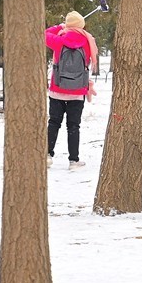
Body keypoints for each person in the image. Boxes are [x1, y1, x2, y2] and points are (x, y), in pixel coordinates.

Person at [46, 10, 99, 169]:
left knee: (54, 122)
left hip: (58, 88)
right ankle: (73, 160)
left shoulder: (58, 40)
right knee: (73, 126)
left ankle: (47, 155)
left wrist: (59, 27)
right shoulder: (88, 41)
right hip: (77, 91)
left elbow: (44, 34)